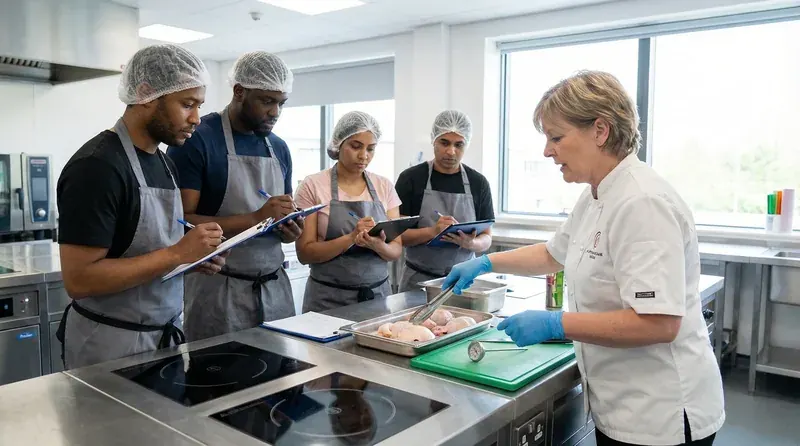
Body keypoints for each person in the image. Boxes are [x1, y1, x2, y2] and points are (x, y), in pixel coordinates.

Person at [442, 71, 724, 446]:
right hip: (623, 404)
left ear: (600, 130)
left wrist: (557, 324)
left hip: (661, 414)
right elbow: (552, 253)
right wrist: (488, 262)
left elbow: (658, 323)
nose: (547, 151)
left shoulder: (642, 202)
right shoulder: (597, 194)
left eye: (556, 137)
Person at [56, 44, 226, 370]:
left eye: (199, 106)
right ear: (147, 94)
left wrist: (191, 259)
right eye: (187, 104)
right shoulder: (97, 167)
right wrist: (176, 254)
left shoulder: (164, 163)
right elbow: (80, 279)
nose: (196, 119)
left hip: (163, 340)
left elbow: (150, 253)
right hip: (109, 347)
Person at [167, 51, 301, 342]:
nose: (275, 112)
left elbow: (283, 217)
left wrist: (289, 228)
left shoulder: (279, 148)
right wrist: (256, 219)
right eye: (266, 101)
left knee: (280, 369)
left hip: (274, 289)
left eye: (281, 103)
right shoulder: (197, 139)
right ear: (239, 91)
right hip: (219, 291)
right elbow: (180, 222)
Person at [295, 111, 402, 312]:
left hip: (377, 297)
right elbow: (305, 253)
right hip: (327, 300)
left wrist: (377, 245)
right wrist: (351, 238)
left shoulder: (384, 186)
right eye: (355, 146)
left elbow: (396, 249)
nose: (364, 156)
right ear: (339, 144)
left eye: (371, 149)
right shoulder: (313, 185)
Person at [394, 110, 493, 292]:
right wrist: (433, 231)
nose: (451, 151)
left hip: (462, 282)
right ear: (434, 140)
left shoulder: (478, 183)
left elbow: (487, 237)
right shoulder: (411, 179)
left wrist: (471, 244)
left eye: (459, 145)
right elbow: (398, 236)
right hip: (418, 281)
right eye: (444, 142)